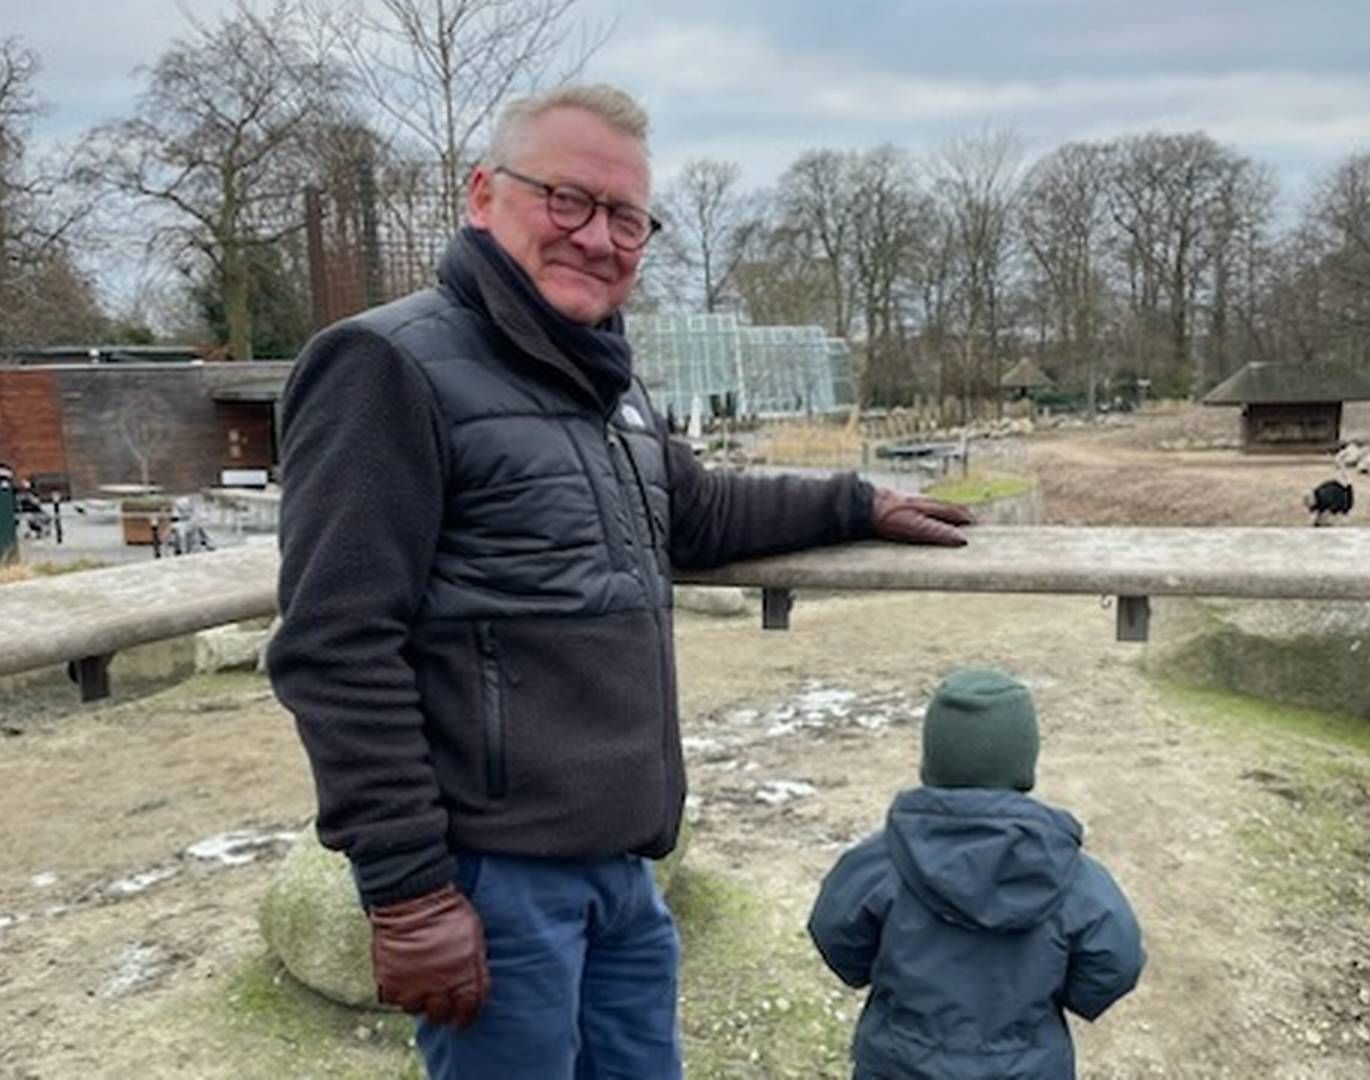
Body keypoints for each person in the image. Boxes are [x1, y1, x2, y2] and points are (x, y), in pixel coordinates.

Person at [267, 82, 973, 1080]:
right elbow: (334, 642)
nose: (598, 238)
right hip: (491, 878)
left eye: (627, 218)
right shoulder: (388, 367)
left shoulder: (602, 380)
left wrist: (853, 503)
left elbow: (695, 512)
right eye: (568, 201)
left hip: (623, 866)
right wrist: (410, 891)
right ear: (483, 194)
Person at [808, 667, 1145, 1080]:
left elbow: (835, 934)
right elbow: (1116, 962)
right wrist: (1064, 1000)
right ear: (1023, 763)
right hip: (1028, 1066)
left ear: (932, 760)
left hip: (899, 1063)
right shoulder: (1071, 875)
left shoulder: (881, 862)